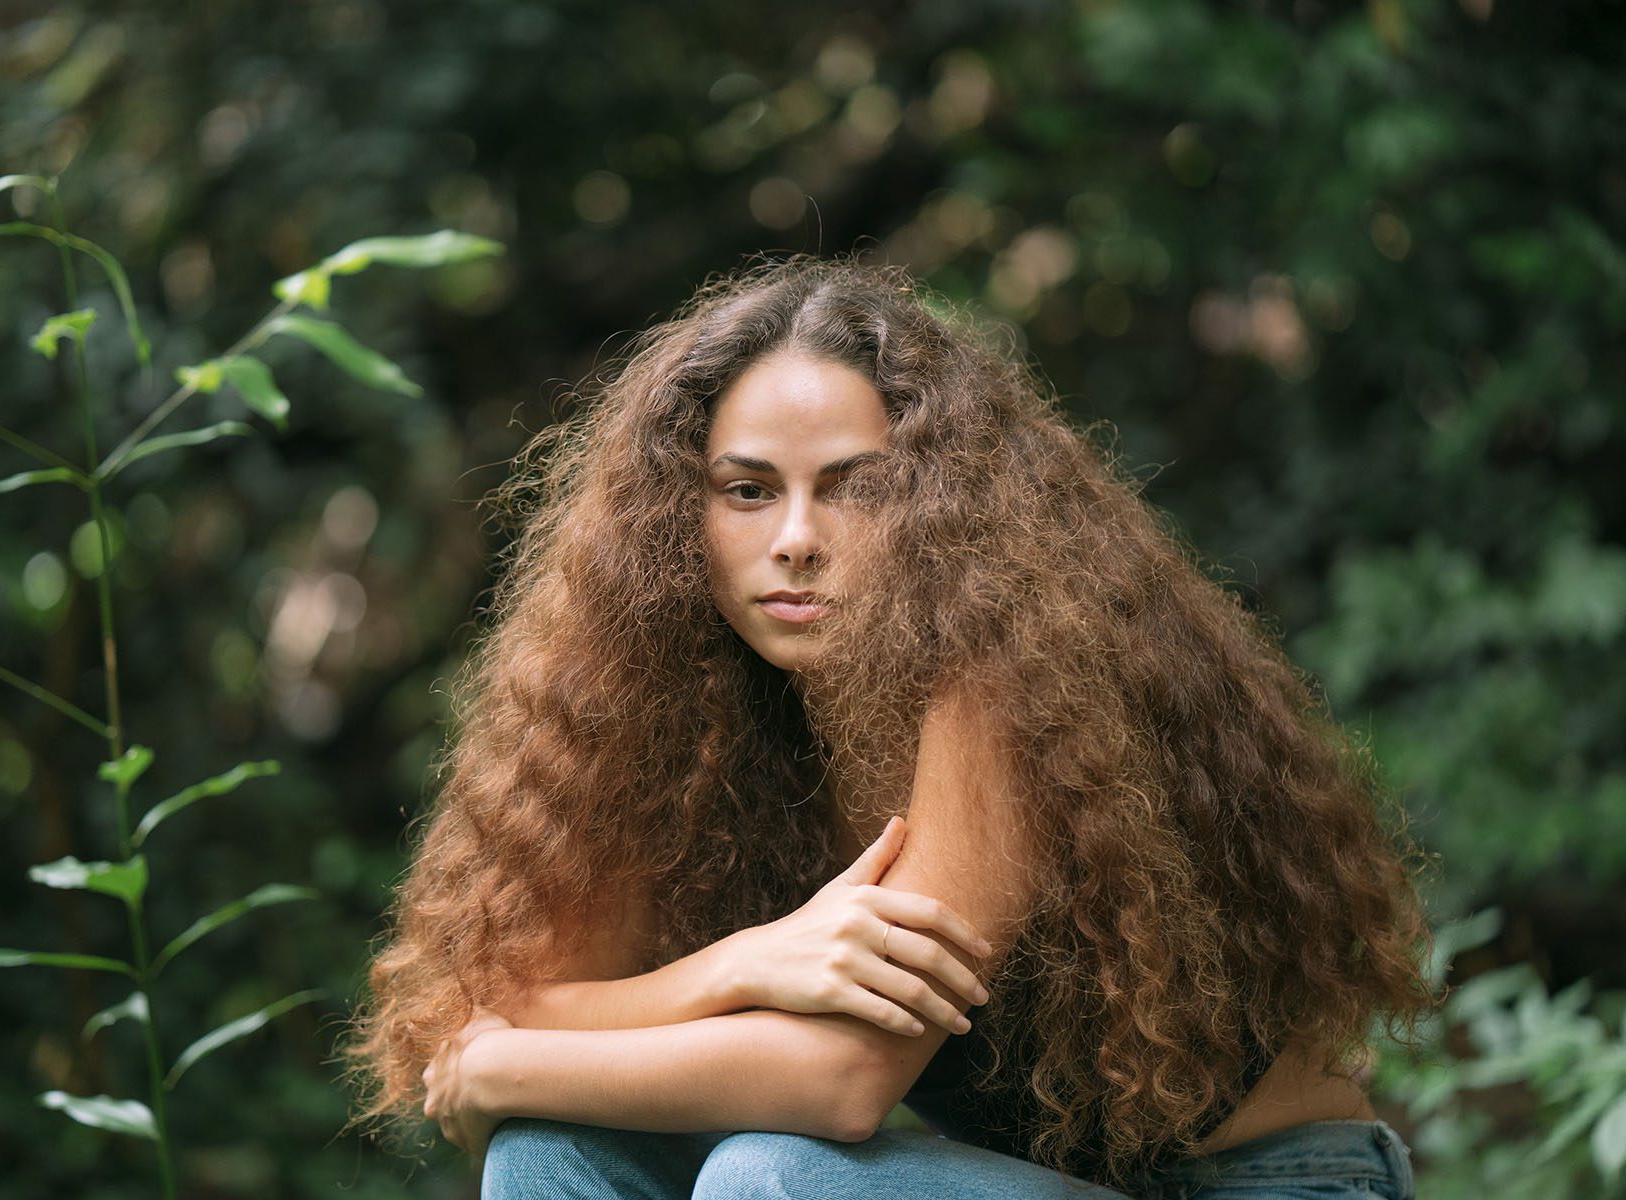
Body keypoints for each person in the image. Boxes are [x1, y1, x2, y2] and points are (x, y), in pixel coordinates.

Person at [339, 256, 1435, 1199]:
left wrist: (501, 1072)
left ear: (937, 502)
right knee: (549, 1152)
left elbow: (843, 1083)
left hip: (1266, 1189)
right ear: (682, 512)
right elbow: (515, 999)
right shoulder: (680, 714)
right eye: (748, 490)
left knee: (769, 1177)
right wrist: (748, 962)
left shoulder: (1006, 676)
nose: (799, 539)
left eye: (853, 488)